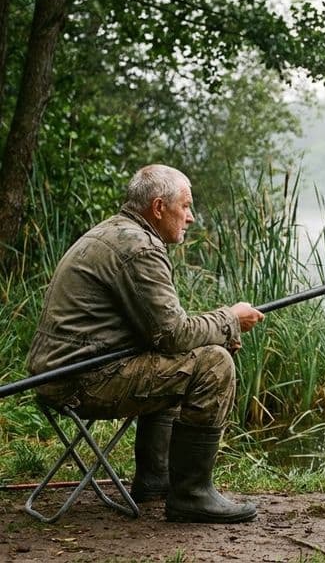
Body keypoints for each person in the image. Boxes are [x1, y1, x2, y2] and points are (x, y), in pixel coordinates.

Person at [26, 164, 264, 524]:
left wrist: (215, 329)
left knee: (187, 358)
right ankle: (191, 495)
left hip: (60, 377)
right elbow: (173, 335)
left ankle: (155, 480)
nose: (191, 218)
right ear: (158, 208)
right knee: (214, 364)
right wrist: (230, 321)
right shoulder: (139, 248)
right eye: (185, 206)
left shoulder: (112, 232)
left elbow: (163, 335)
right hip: (81, 381)